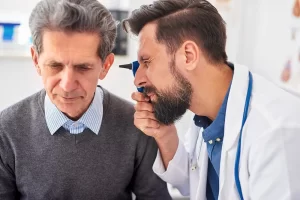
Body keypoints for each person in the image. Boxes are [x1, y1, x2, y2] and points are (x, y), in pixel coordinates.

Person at [122, 0, 300, 199]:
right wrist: (164, 133)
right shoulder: (207, 116)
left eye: (146, 62)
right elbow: (193, 182)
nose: (138, 79)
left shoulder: (275, 130)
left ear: (188, 56)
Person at [0, 0, 172, 199]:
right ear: (36, 61)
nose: (67, 85)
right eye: (55, 65)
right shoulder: (6, 130)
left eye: (83, 67)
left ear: (106, 65)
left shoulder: (138, 125)